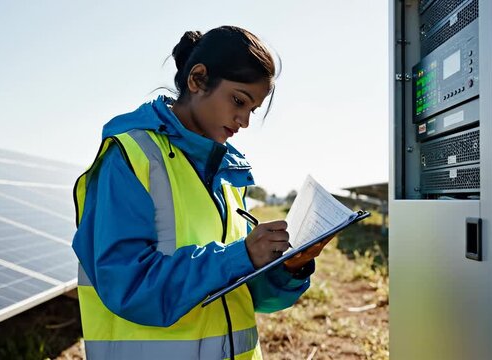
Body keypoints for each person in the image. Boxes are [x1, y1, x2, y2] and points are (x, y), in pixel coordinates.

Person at [71, 25, 329, 360]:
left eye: (252, 110)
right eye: (239, 100)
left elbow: (248, 293)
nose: (245, 121)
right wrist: (241, 256)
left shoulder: (228, 178)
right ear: (197, 79)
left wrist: (287, 267)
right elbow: (128, 286)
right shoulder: (130, 158)